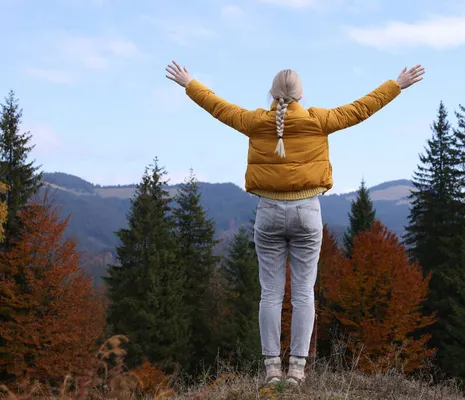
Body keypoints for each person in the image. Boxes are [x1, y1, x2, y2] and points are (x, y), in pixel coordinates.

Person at [165, 61, 425, 385]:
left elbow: (217, 106)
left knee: (270, 295)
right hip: (307, 211)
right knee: (303, 295)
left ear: (272, 94)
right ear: (301, 94)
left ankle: (272, 369)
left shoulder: (255, 122)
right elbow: (362, 109)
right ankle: (297, 371)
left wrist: (189, 82)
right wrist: (397, 84)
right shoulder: (318, 120)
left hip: (268, 211)